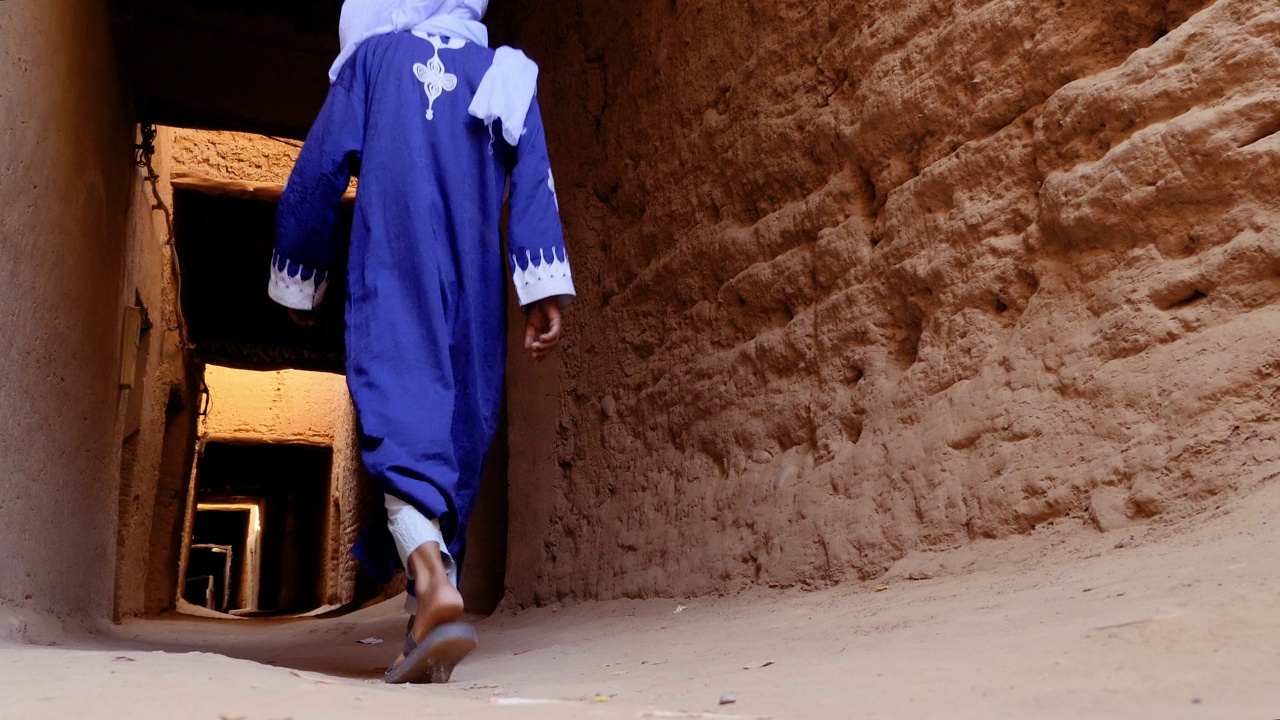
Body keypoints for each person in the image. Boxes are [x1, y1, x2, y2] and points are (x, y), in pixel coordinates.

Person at [267, 0, 574, 684]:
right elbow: (533, 182)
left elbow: (320, 169)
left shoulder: (373, 63)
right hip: (474, 284)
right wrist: (539, 285)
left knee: (403, 418)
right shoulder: (504, 71)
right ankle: (426, 623)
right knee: (459, 425)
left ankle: (432, 582)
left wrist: (300, 270)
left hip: (394, 265)